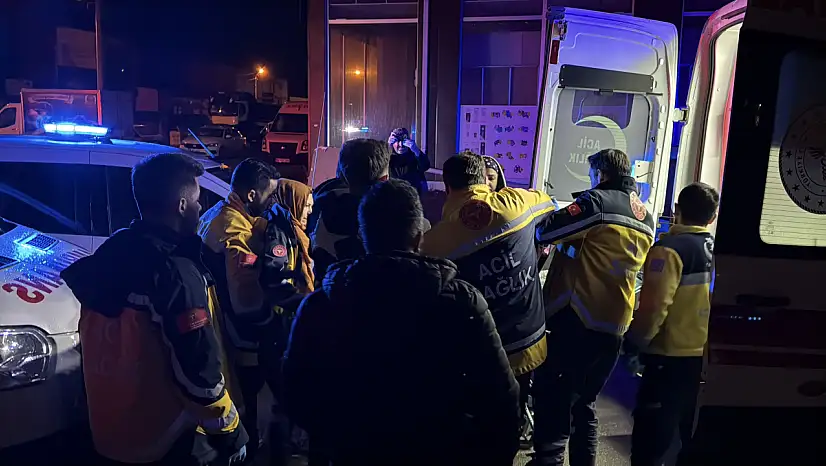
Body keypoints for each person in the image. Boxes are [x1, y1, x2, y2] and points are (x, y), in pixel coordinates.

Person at [283, 179, 521, 466]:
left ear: (362, 236)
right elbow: (501, 398)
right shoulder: (462, 303)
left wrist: (336, 436)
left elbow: (295, 391)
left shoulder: (321, 305)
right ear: (419, 235)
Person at [61, 153, 248, 466]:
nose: (201, 209)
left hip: (113, 431)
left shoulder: (115, 249)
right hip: (168, 435)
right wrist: (230, 431)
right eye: (198, 200)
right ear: (181, 206)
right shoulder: (174, 273)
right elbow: (198, 367)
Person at [530, 148, 656, 466]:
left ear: (600, 175)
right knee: (584, 403)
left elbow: (546, 231)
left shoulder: (596, 202)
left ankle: (549, 461)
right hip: (614, 323)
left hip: (577, 317)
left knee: (554, 395)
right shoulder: (646, 215)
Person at [421, 151, 558, 429]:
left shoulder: (434, 242)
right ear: (484, 179)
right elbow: (549, 203)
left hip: (477, 354)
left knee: (474, 428)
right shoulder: (516, 204)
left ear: (447, 187)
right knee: (511, 420)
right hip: (526, 343)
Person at [198, 158, 287, 465]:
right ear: (251, 195)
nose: (271, 201)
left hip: (219, 325)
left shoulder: (217, 214)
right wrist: (269, 319)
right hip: (240, 337)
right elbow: (244, 294)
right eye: (269, 194)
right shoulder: (235, 229)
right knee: (248, 406)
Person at [626, 182, 719, 466]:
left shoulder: (669, 250)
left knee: (650, 445)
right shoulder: (718, 250)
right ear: (712, 217)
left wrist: (633, 345)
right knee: (688, 443)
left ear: (676, 210)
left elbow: (654, 309)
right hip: (703, 362)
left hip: (668, 360)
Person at [310, 138, 391, 285]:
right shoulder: (392, 216)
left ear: (341, 171)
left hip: (326, 301)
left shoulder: (317, 208)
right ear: (384, 179)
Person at [388, 127, 430, 195]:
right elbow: (378, 168)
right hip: (393, 198)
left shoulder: (414, 157)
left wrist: (416, 150)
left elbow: (425, 166)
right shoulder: (389, 157)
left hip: (412, 198)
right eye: (397, 141)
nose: (401, 145)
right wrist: (387, 148)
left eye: (404, 141)